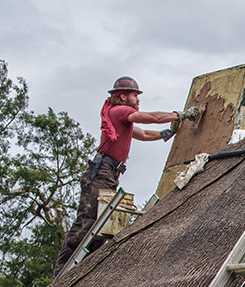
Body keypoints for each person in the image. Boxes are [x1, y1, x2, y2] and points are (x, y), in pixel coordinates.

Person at [53, 77, 190, 275]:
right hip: (102, 173)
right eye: (135, 95)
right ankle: (61, 273)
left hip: (109, 174)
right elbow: (150, 117)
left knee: (101, 227)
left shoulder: (121, 120)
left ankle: (81, 272)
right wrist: (178, 115)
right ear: (123, 96)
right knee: (87, 223)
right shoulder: (120, 111)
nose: (137, 99)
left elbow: (142, 134)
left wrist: (164, 134)